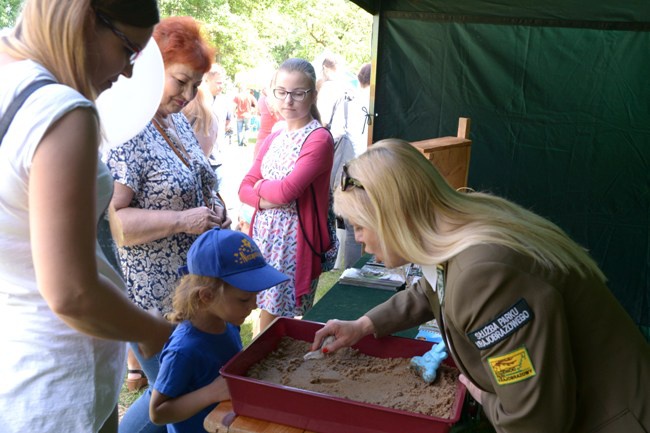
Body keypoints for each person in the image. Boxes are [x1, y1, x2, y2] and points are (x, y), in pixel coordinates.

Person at [313, 139, 650, 433]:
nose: (357, 238)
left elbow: (535, 423)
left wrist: (483, 395)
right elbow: (434, 286)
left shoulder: (483, 275)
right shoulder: (459, 224)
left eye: (359, 226)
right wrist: (363, 325)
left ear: (395, 217)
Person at [0, 1, 172, 432]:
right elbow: (72, 294)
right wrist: (156, 333)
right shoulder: (62, 112)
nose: (131, 73)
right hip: (58, 385)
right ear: (83, 21)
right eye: (130, 50)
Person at [103, 16, 230, 433]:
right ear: (150, 70)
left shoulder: (174, 119)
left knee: (171, 394)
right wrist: (182, 220)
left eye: (196, 84)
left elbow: (197, 180)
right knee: (178, 400)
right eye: (181, 82)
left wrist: (215, 209)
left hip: (192, 290)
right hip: (157, 301)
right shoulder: (129, 128)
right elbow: (118, 223)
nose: (189, 94)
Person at [149, 227, 289, 432]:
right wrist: (211, 393)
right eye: (244, 299)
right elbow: (157, 412)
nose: (255, 305)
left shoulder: (229, 322)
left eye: (255, 295)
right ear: (206, 296)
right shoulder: (183, 350)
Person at [239, 58, 334, 333]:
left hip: (293, 242)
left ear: (312, 95)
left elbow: (288, 191)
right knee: (260, 311)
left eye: (297, 93)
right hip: (264, 238)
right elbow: (243, 186)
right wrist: (264, 196)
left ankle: (269, 372)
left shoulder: (318, 138)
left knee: (279, 320)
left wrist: (260, 189)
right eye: (281, 92)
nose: (288, 100)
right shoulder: (275, 135)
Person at [253, 83, 283, 157]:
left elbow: (258, 112)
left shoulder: (262, 100)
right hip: (279, 142)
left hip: (262, 141)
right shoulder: (283, 101)